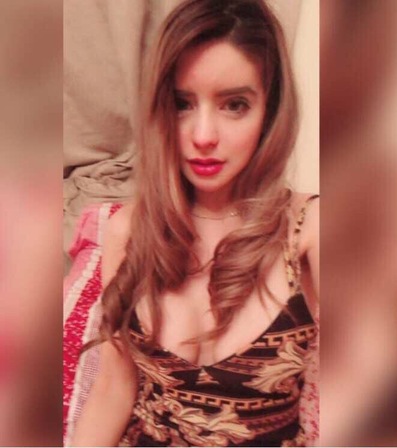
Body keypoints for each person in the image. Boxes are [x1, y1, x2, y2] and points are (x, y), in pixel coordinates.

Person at [71, 0, 319, 446]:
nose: (203, 136)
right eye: (182, 104)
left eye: (235, 105)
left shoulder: (309, 231)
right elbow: (112, 390)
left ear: (271, 110)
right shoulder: (129, 231)